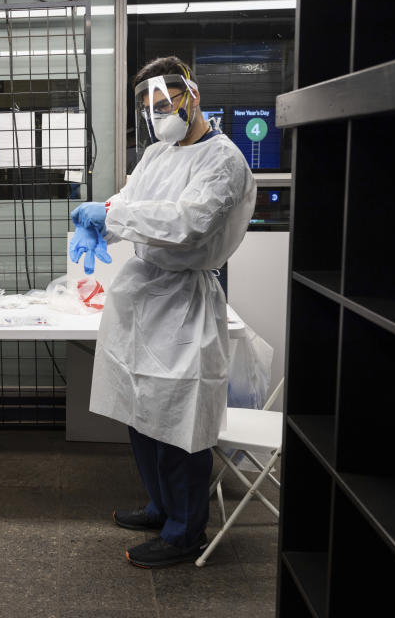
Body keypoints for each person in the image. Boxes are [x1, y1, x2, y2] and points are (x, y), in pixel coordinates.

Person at [70, 56, 256, 568]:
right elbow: (130, 201)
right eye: (147, 107)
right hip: (143, 298)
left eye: (162, 101)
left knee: (179, 420)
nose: (156, 113)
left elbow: (187, 222)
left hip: (184, 302)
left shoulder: (223, 160)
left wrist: (113, 215)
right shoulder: (156, 154)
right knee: (141, 411)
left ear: (190, 95)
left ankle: (184, 531)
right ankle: (161, 507)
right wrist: (100, 223)